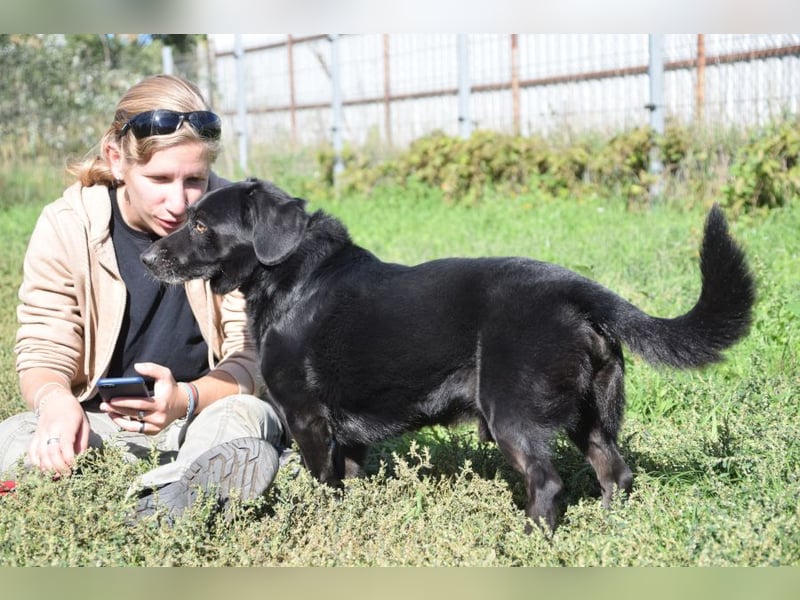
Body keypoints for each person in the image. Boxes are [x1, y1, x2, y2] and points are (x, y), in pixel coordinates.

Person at [0, 74, 287, 521]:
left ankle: (166, 491)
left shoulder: (234, 222)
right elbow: (43, 348)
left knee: (245, 413)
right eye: (159, 178)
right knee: (16, 435)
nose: (179, 202)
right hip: (101, 423)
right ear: (116, 160)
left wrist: (185, 400)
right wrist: (56, 404)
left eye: (195, 179)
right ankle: (183, 490)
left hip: (203, 414)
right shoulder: (66, 225)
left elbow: (250, 355)